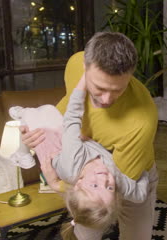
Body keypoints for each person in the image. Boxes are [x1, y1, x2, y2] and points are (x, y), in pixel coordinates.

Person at [21, 32, 159, 239]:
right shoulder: (76, 63)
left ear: (130, 76)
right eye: (100, 88)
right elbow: (69, 112)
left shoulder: (141, 123)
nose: (106, 99)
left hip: (130, 175)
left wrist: (57, 185)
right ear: (84, 69)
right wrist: (39, 135)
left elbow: (114, 186)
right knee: (87, 232)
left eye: (117, 90)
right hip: (86, 166)